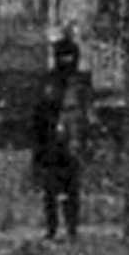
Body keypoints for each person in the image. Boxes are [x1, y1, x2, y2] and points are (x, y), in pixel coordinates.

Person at [30, 31, 90, 241]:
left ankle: (71, 228)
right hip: (50, 142)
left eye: (71, 56)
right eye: (63, 56)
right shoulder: (50, 81)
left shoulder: (80, 83)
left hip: (70, 142)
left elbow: (84, 113)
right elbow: (39, 115)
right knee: (51, 190)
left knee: (71, 189)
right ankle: (52, 228)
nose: (67, 61)